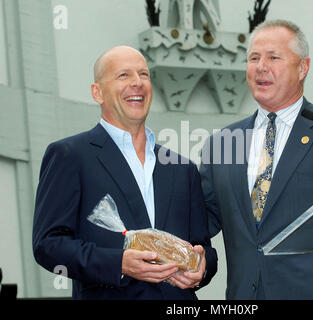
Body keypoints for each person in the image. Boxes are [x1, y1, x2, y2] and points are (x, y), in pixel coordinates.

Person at [199, 20, 313, 299]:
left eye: (274, 57)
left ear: (303, 67)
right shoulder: (223, 142)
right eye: (253, 58)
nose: (261, 66)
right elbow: (202, 221)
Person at [32, 45, 217, 299]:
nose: (137, 83)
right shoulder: (70, 155)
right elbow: (48, 245)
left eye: (144, 75)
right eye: (123, 75)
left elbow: (203, 246)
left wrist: (203, 267)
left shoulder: (183, 168)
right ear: (98, 92)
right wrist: (118, 263)